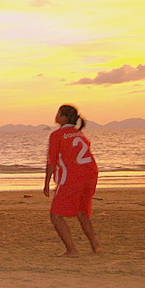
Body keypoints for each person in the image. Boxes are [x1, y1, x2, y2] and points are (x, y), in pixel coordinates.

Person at [43, 104, 102, 257]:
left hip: (72, 177)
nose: (56, 115)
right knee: (82, 212)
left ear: (64, 117)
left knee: (56, 215)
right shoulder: (79, 134)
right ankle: (96, 246)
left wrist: (46, 183)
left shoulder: (57, 135)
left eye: (58, 113)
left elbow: (52, 162)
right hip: (90, 175)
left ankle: (71, 250)